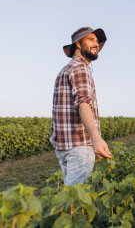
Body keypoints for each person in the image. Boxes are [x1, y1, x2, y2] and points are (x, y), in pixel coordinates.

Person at [50, 27, 113, 186]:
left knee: (68, 201)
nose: (96, 44)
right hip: (80, 146)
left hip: (64, 146)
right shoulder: (80, 68)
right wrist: (96, 138)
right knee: (75, 201)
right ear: (78, 44)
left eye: (97, 41)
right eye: (91, 39)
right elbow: (83, 103)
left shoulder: (65, 69)